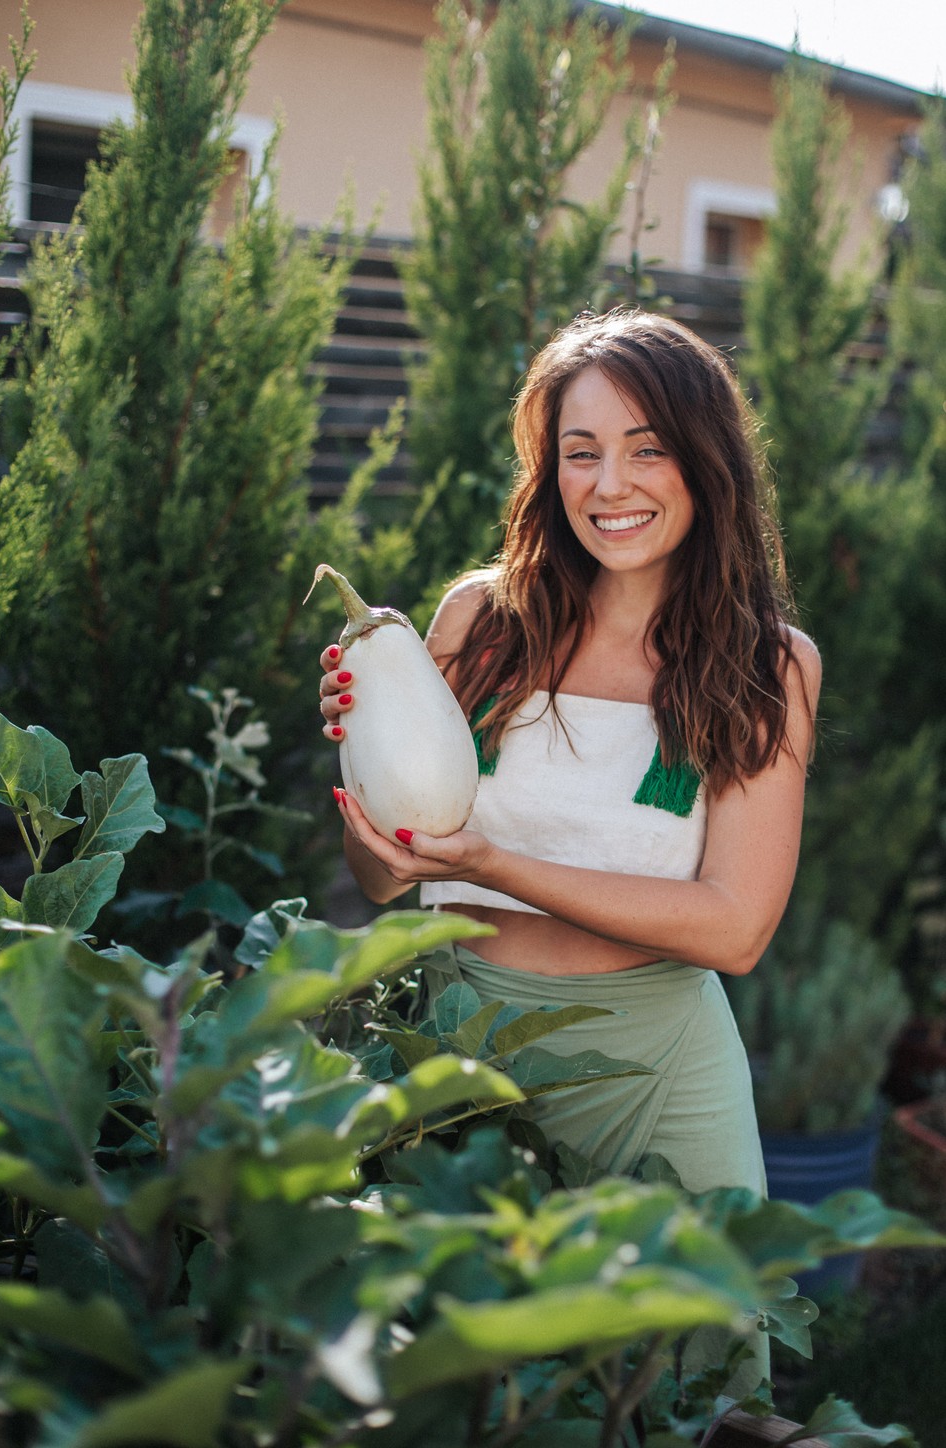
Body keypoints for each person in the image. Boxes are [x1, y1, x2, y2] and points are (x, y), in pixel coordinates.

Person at [318, 310, 820, 1363]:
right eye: (580, 452)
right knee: (458, 1383)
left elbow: (734, 928)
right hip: (459, 1049)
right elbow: (387, 876)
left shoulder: (763, 666)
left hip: (657, 1079)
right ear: (549, 472)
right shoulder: (478, 623)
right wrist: (369, 750)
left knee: (686, 1393)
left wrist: (498, 866)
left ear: (705, 461)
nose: (609, 483)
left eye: (647, 448)